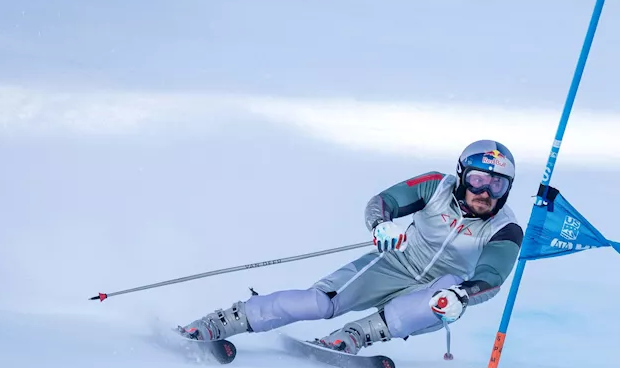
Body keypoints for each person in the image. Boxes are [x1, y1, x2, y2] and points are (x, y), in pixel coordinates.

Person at [179, 140, 524, 354]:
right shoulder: (436, 186)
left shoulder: (504, 227)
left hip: (438, 288)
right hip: (395, 263)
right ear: (463, 176)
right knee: (318, 302)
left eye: (497, 183)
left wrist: (464, 295)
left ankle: (354, 336)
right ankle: (225, 321)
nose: (485, 192)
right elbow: (384, 201)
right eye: (478, 179)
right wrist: (381, 225)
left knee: (446, 296)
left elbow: (492, 276)